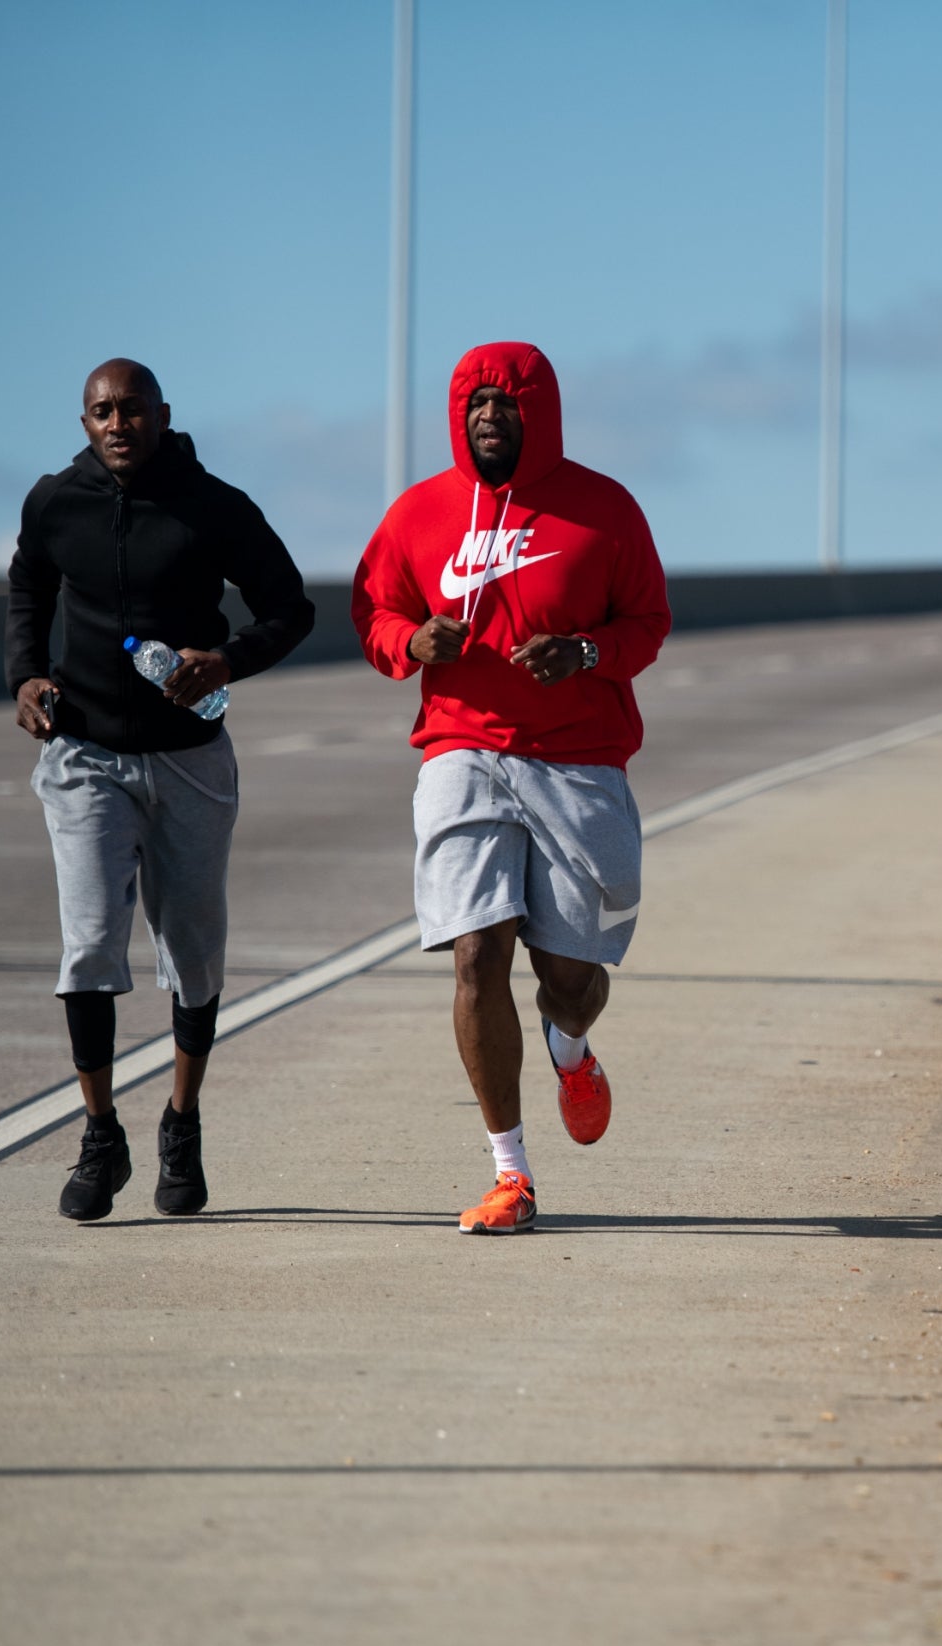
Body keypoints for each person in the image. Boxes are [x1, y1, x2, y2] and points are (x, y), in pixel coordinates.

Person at [352, 342, 671, 1235]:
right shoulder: (419, 513)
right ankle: (510, 1172)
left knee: (569, 975)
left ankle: (571, 1047)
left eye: (508, 401)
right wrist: (410, 643)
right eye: (475, 401)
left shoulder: (604, 511)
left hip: (577, 759)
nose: (490, 415)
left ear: (543, 412)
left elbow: (648, 621)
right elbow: (374, 608)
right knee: (475, 954)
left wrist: (586, 653)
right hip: (461, 751)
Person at [6, 358, 315, 1221]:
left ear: (162, 415)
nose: (117, 424)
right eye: (101, 412)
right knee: (90, 945)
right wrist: (25, 676)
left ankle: (181, 1120)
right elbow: (28, 584)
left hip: (189, 757)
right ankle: (101, 1133)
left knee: (193, 951)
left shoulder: (214, 506)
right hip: (85, 756)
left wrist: (227, 660)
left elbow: (290, 606)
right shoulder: (54, 502)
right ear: (84, 423)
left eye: (131, 409)